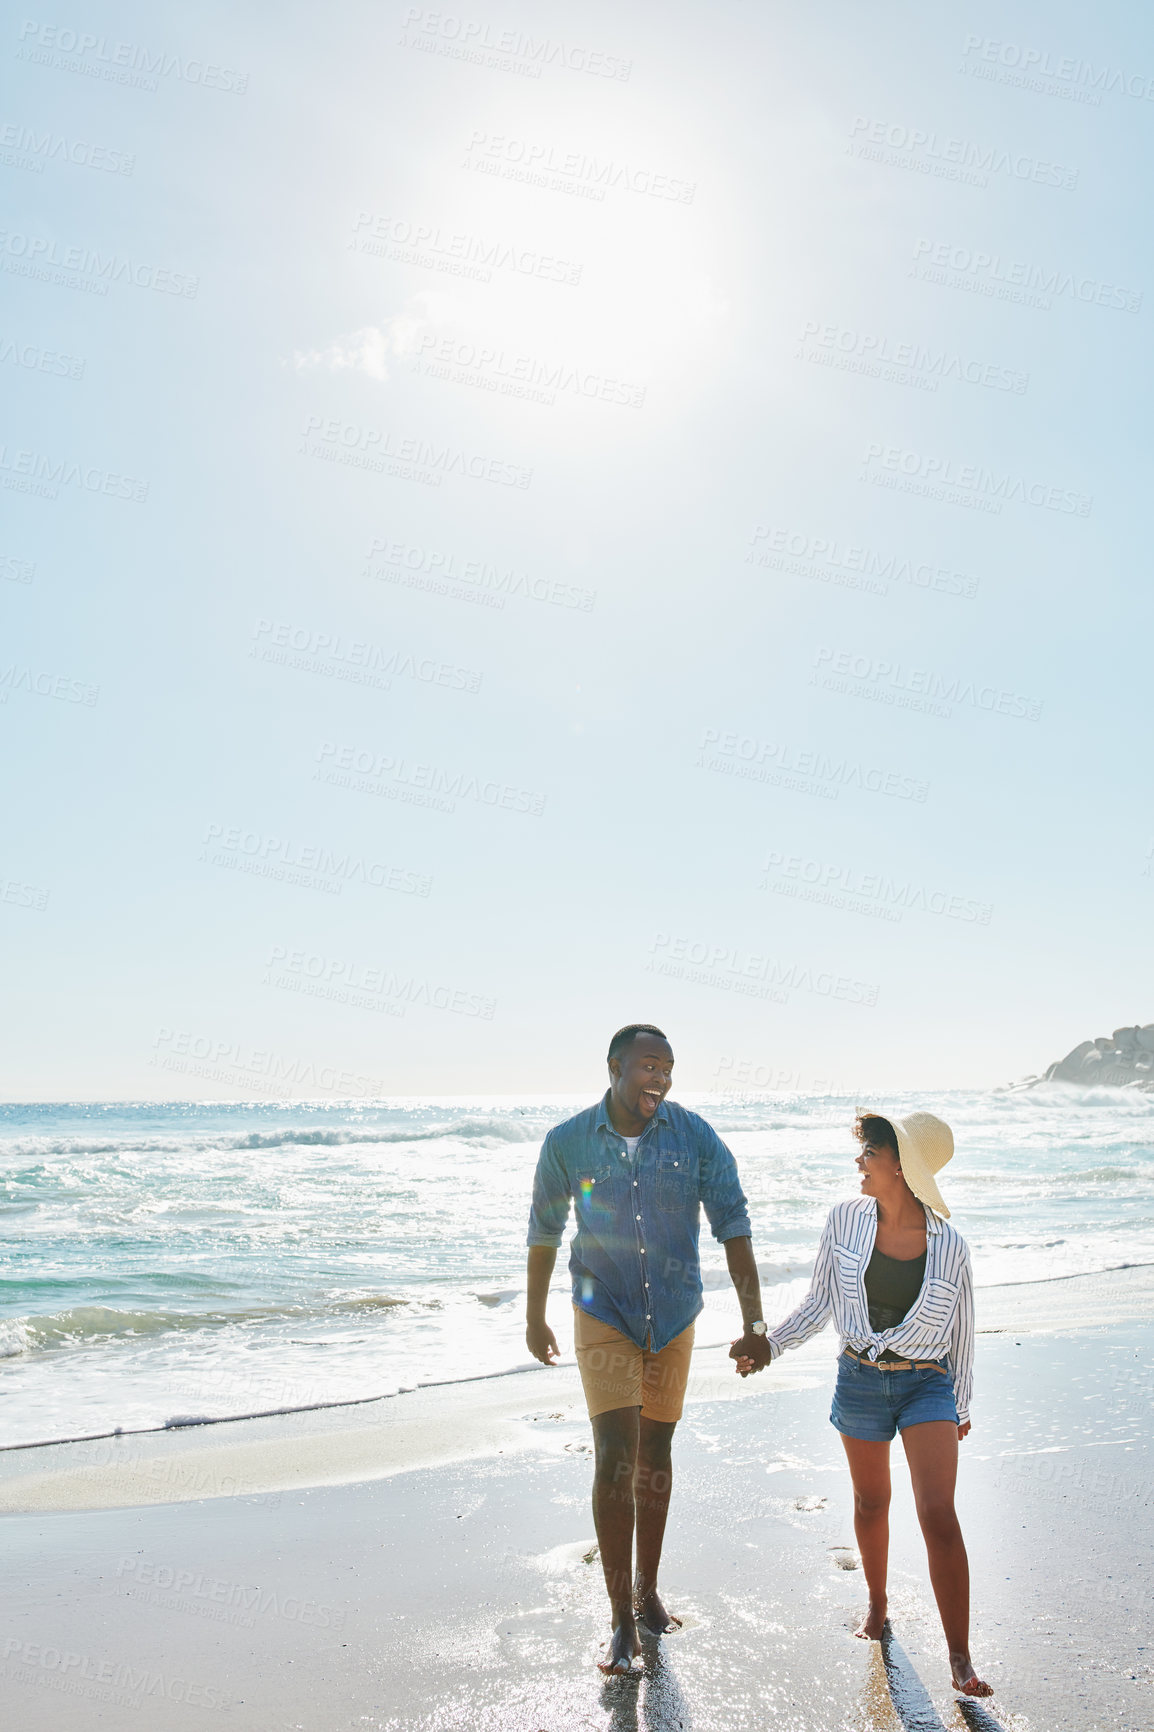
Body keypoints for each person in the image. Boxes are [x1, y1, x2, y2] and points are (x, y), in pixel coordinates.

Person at [526, 1024, 772, 1675]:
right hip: (601, 1311)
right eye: (646, 1065)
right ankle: (617, 1623)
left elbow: (734, 1224)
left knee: (656, 1452)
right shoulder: (568, 1142)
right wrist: (532, 1314)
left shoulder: (694, 1137)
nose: (658, 1077)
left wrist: (754, 1319)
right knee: (614, 1456)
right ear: (614, 1067)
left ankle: (645, 1591)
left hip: (673, 1316)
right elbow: (544, 1230)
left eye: (666, 1067)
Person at [734, 1109, 991, 1698]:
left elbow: (963, 1330)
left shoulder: (950, 1246)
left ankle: (959, 1658)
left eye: (870, 1153)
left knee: (938, 1514)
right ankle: (877, 1604)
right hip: (858, 1378)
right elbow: (821, 1298)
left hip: (928, 1383)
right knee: (872, 1501)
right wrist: (770, 1342)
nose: (859, 1162)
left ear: (901, 1166)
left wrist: (963, 1403)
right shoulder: (845, 1220)